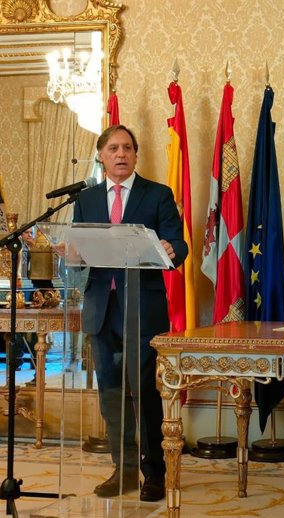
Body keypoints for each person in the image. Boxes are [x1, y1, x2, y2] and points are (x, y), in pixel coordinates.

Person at [72, 125, 188, 502]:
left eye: (127, 148)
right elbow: (80, 246)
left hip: (142, 307)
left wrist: (172, 248)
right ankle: (121, 470)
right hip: (101, 308)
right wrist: (70, 254)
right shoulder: (86, 199)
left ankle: (153, 471)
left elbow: (178, 242)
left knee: (143, 392)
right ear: (101, 155)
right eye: (113, 148)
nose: (120, 154)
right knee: (110, 393)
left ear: (136, 155)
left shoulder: (157, 194)